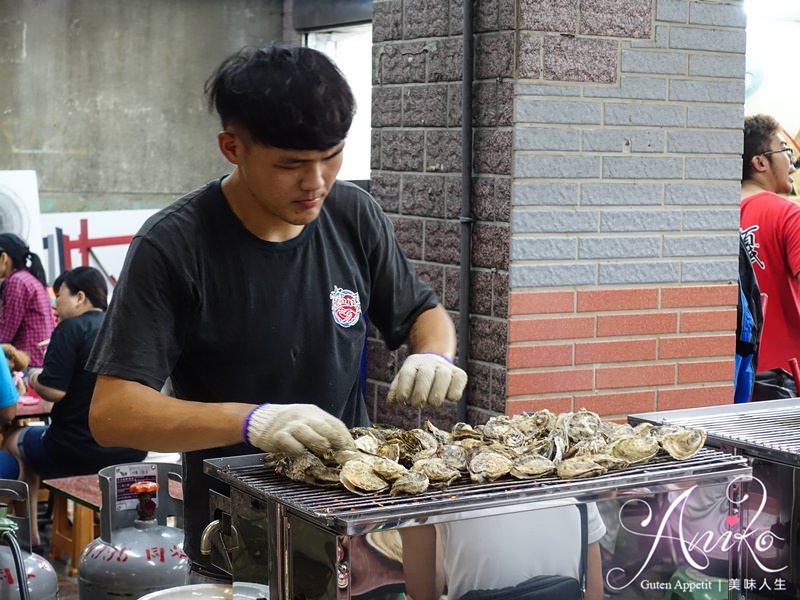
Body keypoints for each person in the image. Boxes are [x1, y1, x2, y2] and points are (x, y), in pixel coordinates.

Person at [86, 45, 468, 582]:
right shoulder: (174, 245)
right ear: (232, 147)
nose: (315, 182)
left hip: (354, 524)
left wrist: (434, 353)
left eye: (330, 156)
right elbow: (112, 413)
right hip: (238, 538)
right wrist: (253, 420)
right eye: (291, 164)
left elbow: (422, 311)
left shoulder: (352, 214)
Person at [3, 267, 147, 548]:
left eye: (60, 296)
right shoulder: (124, 327)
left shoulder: (71, 328)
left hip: (76, 451)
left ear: (80, 297)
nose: (55, 304)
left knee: (12, 442)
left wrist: (33, 375)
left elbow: (54, 391)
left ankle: (30, 538)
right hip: (131, 450)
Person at [400, 502, 606, 600]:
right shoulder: (578, 485)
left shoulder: (449, 495)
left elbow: (423, 595)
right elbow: (594, 591)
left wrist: (420, 522)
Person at [740, 114, 800, 398]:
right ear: (760, 162)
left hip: (733, 374)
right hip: (786, 376)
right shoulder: (789, 215)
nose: (792, 162)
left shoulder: (714, 217)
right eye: (784, 150)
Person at [0, 233, 54, 368]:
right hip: (41, 359)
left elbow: (5, 333)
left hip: (27, 364)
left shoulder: (16, 282)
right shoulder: (29, 278)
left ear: (3, 258)